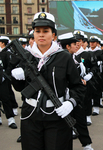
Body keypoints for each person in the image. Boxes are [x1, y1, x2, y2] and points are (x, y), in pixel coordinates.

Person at [11, 12, 85, 150]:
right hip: (31, 115)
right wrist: (16, 78)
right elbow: (20, 88)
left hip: (57, 115)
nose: (41, 34)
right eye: (37, 31)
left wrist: (71, 103)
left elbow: (78, 87)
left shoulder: (64, 57)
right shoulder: (26, 56)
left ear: (54, 35)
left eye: (46, 31)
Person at [58, 32, 93, 150]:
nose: (77, 45)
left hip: (74, 96)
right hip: (62, 97)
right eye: (74, 43)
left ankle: (87, 144)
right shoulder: (59, 60)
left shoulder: (76, 59)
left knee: (80, 120)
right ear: (67, 46)